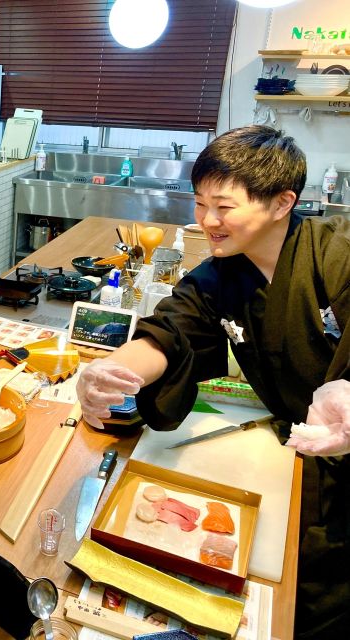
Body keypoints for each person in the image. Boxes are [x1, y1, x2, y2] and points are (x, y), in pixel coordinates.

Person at [76, 125, 349, 638]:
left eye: (223, 206)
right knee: (297, 585)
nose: (206, 220)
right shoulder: (222, 275)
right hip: (304, 455)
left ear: (281, 202)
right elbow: (169, 330)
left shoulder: (337, 257)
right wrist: (109, 372)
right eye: (200, 203)